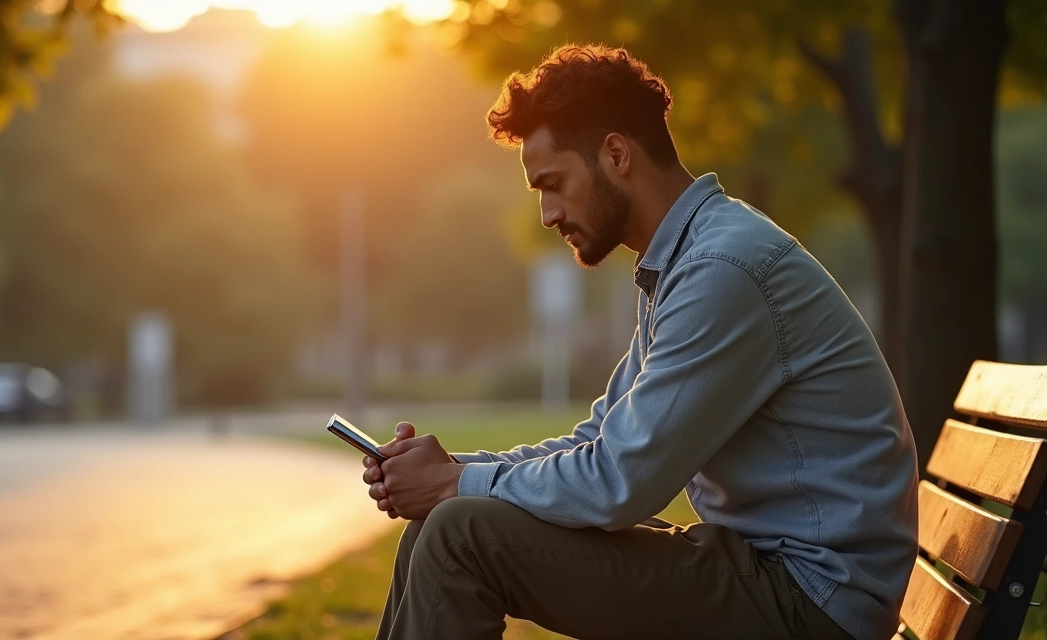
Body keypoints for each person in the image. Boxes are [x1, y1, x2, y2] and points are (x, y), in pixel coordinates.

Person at [361, 44, 917, 640]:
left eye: (552, 184)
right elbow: (601, 440)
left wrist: (455, 484)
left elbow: (619, 484)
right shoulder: (684, 262)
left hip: (812, 601)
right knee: (440, 524)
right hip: (770, 573)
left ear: (616, 154)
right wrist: (452, 472)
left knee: (458, 534)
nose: (548, 214)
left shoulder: (723, 268)